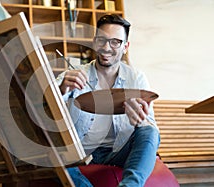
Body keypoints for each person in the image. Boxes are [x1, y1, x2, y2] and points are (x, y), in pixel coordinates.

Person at [56, 14, 160, 187]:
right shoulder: (73, 74)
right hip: (81, 154)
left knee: (150, 132)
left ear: (125, 46)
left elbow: (149, 125)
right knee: (54, 154)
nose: (107, 48)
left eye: (115, 42)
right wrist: (61, 90)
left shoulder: (136, 78)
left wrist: (140, 120)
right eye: (102, 40)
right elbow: (45, 108)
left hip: (119, 152)